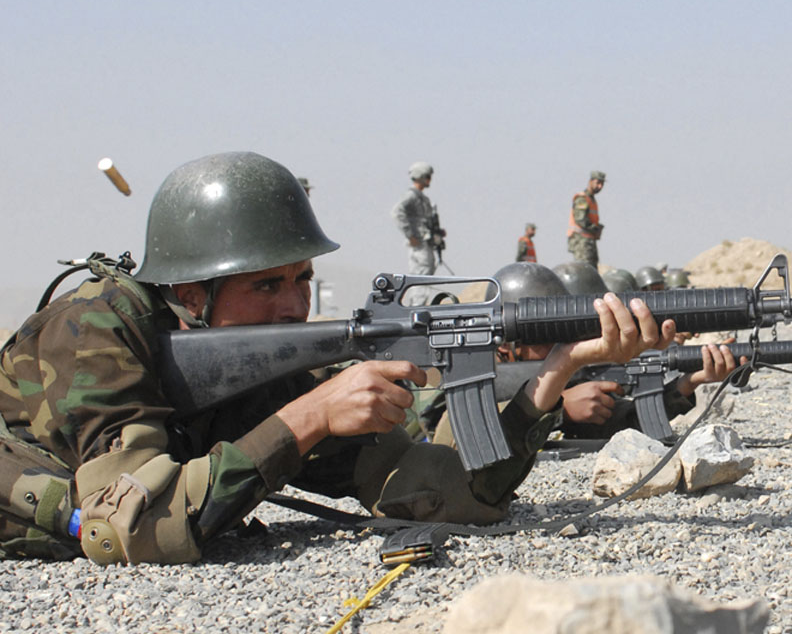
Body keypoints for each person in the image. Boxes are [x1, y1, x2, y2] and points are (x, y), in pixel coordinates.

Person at [0, 152, 672, 564]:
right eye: (266, 284)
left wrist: (550, 380)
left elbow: (450, 494)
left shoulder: (277, 371)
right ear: (188, 290)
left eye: (299, 279)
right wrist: (306, 420)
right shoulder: (93, 332)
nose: (294, 304)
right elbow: (130, 531)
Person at [432, 263, 741, 446]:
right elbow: (439, 429)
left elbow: (627, 421)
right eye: (547, 338)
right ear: (506, 344)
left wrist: (690, 382)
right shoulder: (459, 380)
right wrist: (559, 410)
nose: (561, 349)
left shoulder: (570, 378)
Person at [390, 162, 442, 306]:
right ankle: (417, 307)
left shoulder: (422, 198)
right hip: (420, 244)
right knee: (421, 276)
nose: (429, 180)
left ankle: (418, 305)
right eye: (427, 177)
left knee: (424, 275)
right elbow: (397, 213)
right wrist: (410, 235)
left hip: (426, 243)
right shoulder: (411, 196)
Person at [567, 171, 605, 267]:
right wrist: (595, 229)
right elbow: (581, 219)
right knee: (584, 270)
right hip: (581, 241)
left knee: (592, 271)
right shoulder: (582, 198)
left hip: (589, 241)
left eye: (602, 184)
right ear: (591, 181)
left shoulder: (591, 199)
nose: (600, 186)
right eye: (598, 183)